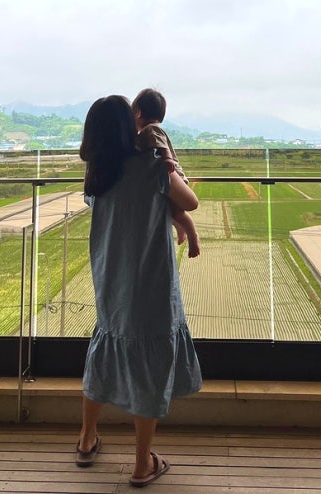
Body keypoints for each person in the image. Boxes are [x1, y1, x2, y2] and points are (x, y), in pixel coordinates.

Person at [76, 95, 202, 487]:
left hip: (110, 277)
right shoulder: (150, 167)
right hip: (149, 279)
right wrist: (168, 169)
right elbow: (191, 201)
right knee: (150, 365)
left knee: (105, 349)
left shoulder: (98, 174)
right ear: (128, 126)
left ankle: (86, 438)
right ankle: (141, 463)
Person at [132, 88, 202, 258]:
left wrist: (167, 158)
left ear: (138, 112)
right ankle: (180, 229)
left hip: (173, 175)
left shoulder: (151, 130)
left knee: (178, 213)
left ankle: (193, 237)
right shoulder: (151, 130)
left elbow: (161, 145)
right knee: (170, 211)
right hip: (172, 176)